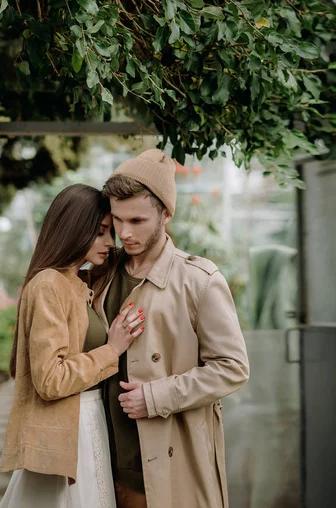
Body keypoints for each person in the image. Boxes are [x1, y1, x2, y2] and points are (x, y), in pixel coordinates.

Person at [92, 149, 250, 508]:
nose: (125, 233)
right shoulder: (102, 272)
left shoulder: (199, 280)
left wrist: (156, 397)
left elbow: (233, 368)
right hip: (100, 459)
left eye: (137, 220)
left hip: (164, 462)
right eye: (117, 220)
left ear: (165, 213)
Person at [0, 184, 146, 508]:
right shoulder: (49, 285)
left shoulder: (77, 282)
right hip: (65, 429)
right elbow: (50, 380)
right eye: (101, 232)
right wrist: (113, 349)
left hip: (87, 422)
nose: (111, 242)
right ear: (74, 230)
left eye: (111, 232)